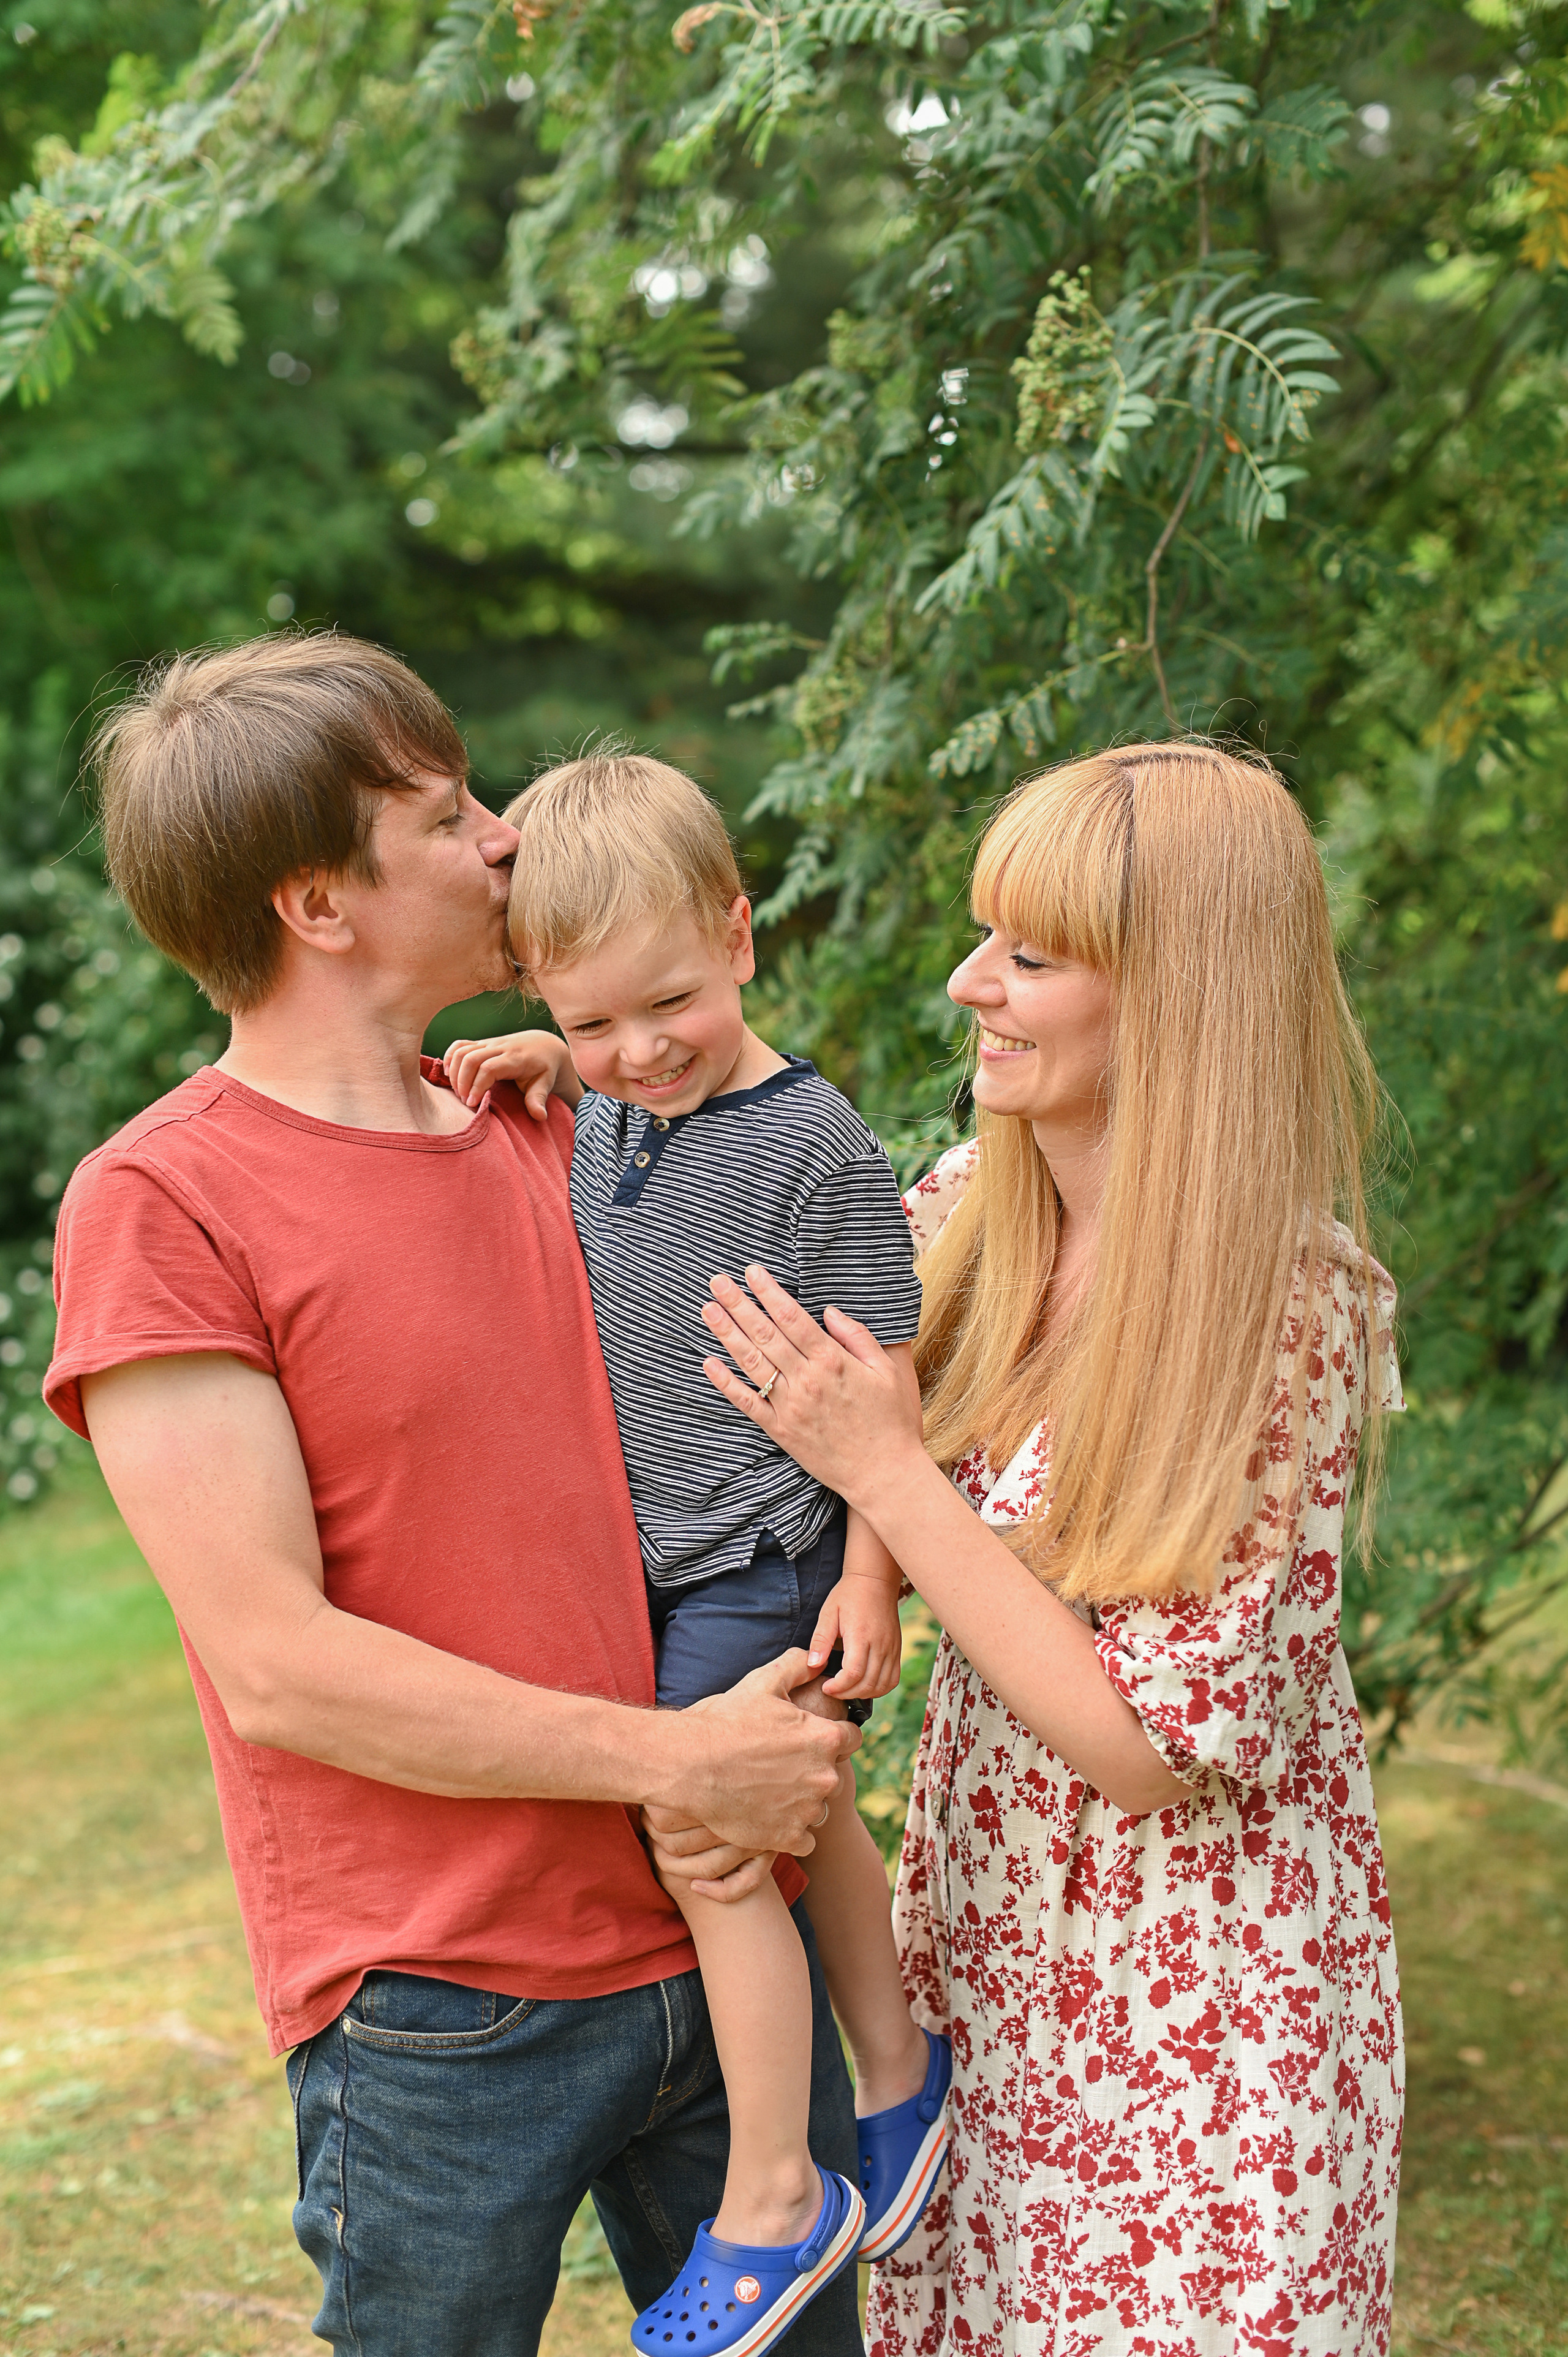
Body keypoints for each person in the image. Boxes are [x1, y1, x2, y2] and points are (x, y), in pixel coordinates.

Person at [41, 633, 864, 2357]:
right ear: (319, 906)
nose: (504, 839)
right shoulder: (163, 1204)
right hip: (441, 2015)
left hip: (720, 1961)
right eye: (444, 813)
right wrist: (674, 1757)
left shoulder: (572, 1121)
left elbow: (823, 1216)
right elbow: (277, 1662)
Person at [682, 744, 1406, 2357]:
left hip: (1200, 1995)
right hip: (991, 1943)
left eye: (1029, 954)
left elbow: (1154, 1754)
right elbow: (718, 1142)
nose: (967, 985)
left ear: (1178, 993)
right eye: (981, 937)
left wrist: (888, 1472)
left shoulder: (1286, 1306)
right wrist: (552, 1079)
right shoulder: (963, 1214)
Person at [441, 753, 952, 2357]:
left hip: (775, 1550)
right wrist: (554, 1057)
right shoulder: (616, 1099)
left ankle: (776, 2194)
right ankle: (901, 2074)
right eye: (591, 1021)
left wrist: (874, 1576)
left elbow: (887, 1375)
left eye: (666, 1002)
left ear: (739, 936)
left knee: (713, 1843)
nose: (638, 1051)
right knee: (812, 1822)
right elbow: (609, 1071)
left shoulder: (814, 1146)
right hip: (668, 1560)